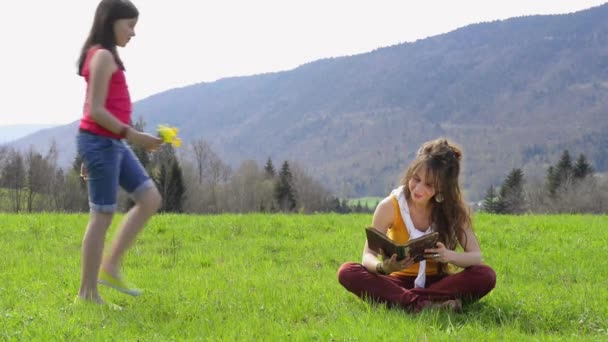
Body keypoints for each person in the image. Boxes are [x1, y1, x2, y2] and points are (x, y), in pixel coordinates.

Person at [337, 138, 496, 312]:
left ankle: (408, 302)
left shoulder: (453, 210)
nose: (418, 189)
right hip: (396, 281)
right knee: (347, 271)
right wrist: (383, 267)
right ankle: (427, 305)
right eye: (416, 179)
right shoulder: (389, 206)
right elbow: (368, 255)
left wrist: (448, 255)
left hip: (438, 283)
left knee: (485, 275)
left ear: (443, 188)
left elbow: (475, 257)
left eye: (429, 185)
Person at [75, 0, 162, 305]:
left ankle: (110, 266)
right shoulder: (101, 57)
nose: (133, 33)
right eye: (130, 25)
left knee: (150, 198)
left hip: (111, 143)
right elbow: (95, 110)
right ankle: (87, 294)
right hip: (102, 141)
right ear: (111, 22)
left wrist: (123, 138)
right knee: (101, 215)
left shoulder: (107, 56)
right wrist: (135, 135)